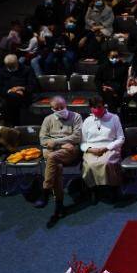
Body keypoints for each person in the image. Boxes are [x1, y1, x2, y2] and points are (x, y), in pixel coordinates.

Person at [37, 97, 83, 227]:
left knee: (52, 158)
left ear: (66, 105)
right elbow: (43, 139)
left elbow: (77, 137)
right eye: (56, 109)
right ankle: (58, 206)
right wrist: (62, 144)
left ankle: (45, 192)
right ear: (52, 109)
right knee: (56, 166)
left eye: (61, 107)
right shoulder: (48, 119)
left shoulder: (76, 117)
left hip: (69, 152)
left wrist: (56, 142)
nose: (59, 110)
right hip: (57, 150)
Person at [80, 96, 124, 203]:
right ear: (90, 108)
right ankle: (93, 189)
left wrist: (107, 148)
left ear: (104, 106)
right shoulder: (87, 121)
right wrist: (90, 150)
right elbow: (82, 143)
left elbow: (121, 138)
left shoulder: (114, 118)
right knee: (90, 165)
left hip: (109, 147)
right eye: (94, 107)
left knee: (106, 162)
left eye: (99, 107)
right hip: (92, 149)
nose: (97, 109)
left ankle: (113, 188)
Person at [0, 54, 36, 125]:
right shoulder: (2, 71)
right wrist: (10, 91)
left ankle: (8, 123)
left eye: (12, 66)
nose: (11, 68)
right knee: (11, 98)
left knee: (8, 102)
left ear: (17, 62)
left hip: (24, 96)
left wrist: (22, 88)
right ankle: (15, 124)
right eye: (9, 66)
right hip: (8, 95)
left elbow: (33, 86)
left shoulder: (27, 70)